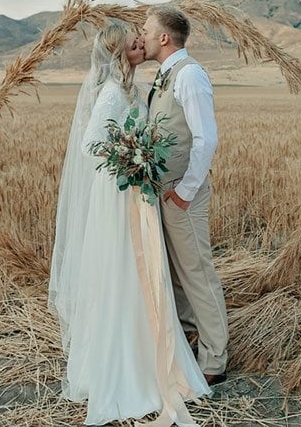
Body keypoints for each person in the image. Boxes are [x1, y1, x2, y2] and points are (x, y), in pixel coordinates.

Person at [48, 22, 210, 426]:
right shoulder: (110, 93)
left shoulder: (130, 87)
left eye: (142, 40)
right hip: (118, 196)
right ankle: (129, 365)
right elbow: (90, 144)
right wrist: (129, 155)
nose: (141, 45)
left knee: (142, 272)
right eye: (134, 43)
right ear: (121, 53)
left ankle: (152, 350)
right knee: (125, 271)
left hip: (134, 192)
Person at [141, 6, 229, 385]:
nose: (140, 36)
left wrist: (184, 192)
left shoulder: (189, 74)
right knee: (177, 272)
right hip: (164, 191)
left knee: (196, 272)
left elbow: (206, 137)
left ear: (164, 37)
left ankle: (214, 362)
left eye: (145, 30)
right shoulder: (163, 76)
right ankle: (192, 338)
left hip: (182, 194)